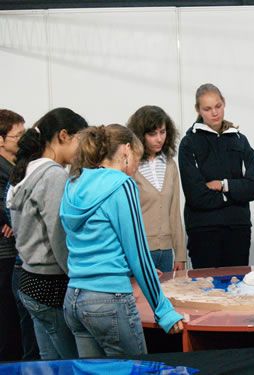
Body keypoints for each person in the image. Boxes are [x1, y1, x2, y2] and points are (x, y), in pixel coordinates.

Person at [60, 125, 183, 358]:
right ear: (127, 150)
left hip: (75, 297)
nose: (137, 166)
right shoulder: (121, 184)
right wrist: (164, 310)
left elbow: (92, 243)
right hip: (109, 300)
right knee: (135, 370)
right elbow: (138, 253)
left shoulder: (73, 183)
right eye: (138, 157)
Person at [7, 107, 88, 360]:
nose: (82, 150)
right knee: (70, 363)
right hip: (50, 284)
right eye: (80, 141)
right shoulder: (52, 175)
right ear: (64, 135)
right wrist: (79, 277)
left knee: (49, 362)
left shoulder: (27, 169)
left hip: (29, 280)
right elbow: (59, 236)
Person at [178, 83, 254, 269]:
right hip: (203, 230)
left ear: (224, 103)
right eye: (207, 109)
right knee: (207, 291)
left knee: (237, 289)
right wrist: (235, 194)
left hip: (238, 227)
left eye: (218, 106)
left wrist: (223, 185)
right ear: (198, 110)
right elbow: (196, 196)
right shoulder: (188, 143)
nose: (214, 113)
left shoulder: (240, 140)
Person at [127, 106, 187, 273]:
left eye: (162, 132)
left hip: (166, 252)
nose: (159, 139)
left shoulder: (169, 164)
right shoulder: (131, 166)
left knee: (166, 298)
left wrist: (180, 255)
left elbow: (174, 212)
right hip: (140, 251)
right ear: (140, 135)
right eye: (152, 134)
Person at [0, 109, 24, 360]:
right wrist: (9, 219)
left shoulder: (15, 166)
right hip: (5, 253)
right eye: (18, 136)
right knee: (7, 318)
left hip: (14, 249)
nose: (23, 139)